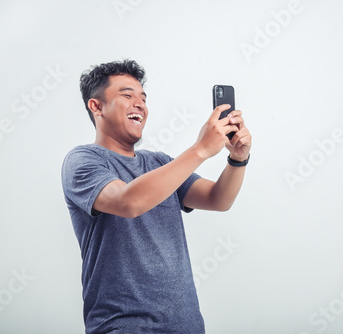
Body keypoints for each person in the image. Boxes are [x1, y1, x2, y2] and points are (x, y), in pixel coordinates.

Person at [61, 59, 251, 334]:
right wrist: (200, 149)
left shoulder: (161, 163)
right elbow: (129, 202)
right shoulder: (82, 160)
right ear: (96, 106)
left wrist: (238, 159)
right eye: (127, 95)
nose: (140, 104)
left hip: (187, 326)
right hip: (123, 326)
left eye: (143, 98)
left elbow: (218, 199)